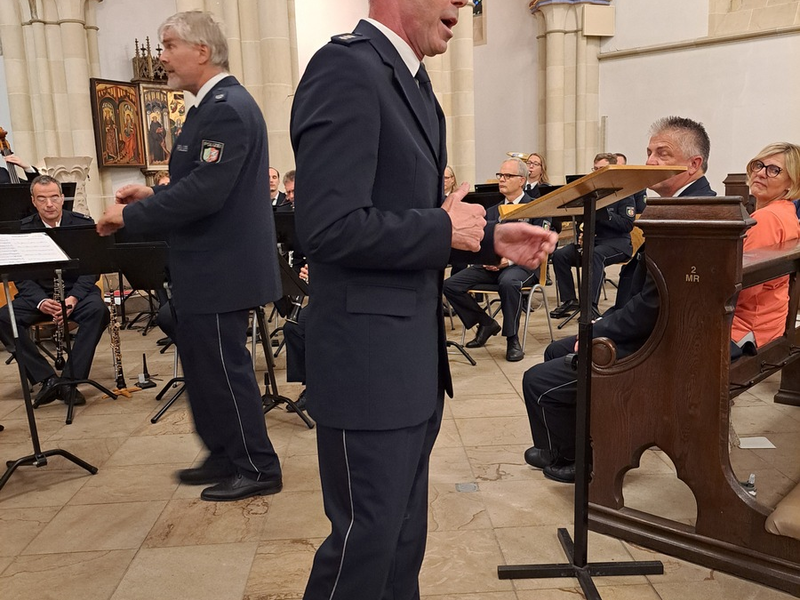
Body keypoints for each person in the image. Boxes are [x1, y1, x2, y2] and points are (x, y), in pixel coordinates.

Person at [290, 1, 558, 597]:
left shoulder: (411, 80)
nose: (466, 3)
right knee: (365, 544)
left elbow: (409, 218)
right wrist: (445, 231)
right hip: (366, 362)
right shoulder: (347, 69)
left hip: (408, 359)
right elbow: (330, 228)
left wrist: (489, 237)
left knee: (401, 541)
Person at [96, 10, 283, 503]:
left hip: (223, 268)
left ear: (201, 51)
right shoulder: (208, 107)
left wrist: (129, 218)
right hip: (208, 265)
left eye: (168, 45)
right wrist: (151, 196)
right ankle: (223, 453)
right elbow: (198, 182)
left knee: (224, 369)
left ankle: (257, 465)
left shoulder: (226, 105)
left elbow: (207, 193)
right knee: (202, 367)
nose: (161, 57)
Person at [523, 116, 716, 484]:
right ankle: (575, 446)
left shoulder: (691, 213)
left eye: (663, 153)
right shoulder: (679, 206)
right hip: (657, 328)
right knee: (553, 351)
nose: (651, 161)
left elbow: (655, 305)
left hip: (662, 344)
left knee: (538, 380)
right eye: (649, 152)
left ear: (694, 164)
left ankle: (581, 461)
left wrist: (598, 327)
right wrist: (601, 324)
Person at [0, 175, 109, 407]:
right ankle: (46, 379)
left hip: (75, 295)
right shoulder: (23, 230)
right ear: (33, 201)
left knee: (98, 310)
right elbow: (20, 277)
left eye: (53, 197)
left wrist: (73, 298)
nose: (49, 204)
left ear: (62, 198)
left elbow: (91, 270)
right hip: (39, 297)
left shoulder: (82, 224)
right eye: (42, 199)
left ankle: (70, 380)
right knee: (3, 317)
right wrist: (41, 301)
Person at [443, 157, 551, 361]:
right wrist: (487, 258)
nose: (501, 179)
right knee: (450, 285)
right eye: (500, 175)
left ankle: (512, 339)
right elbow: (482, 239)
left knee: (509, 282)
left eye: (507, 176)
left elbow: (538, 244)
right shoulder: (492, 210)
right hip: (492, 267)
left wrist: (507, 261)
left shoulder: (537, 208)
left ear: (522, 180)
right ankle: (485, 322)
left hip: (522, 267)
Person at [549, 152, 636, 319]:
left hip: (618, 244)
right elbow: (582, 221)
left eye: (601, 169)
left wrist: (602, 214)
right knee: (560, 255)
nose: (596, 172)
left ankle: (590, 307)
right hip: (594, 241)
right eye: (594, 169)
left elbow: (627, 224)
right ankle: (569, 300)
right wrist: (582, 233)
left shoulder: (624, 192)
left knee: (595, 255)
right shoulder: (591, 193)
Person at [731, 143, 800, 349]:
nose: (761, 173)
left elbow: (745, 288)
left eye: (774, 170)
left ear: (791, 183)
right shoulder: (786, 212)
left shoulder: (766, 218)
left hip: (746, 326)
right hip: (770, 320)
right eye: (758, 165)